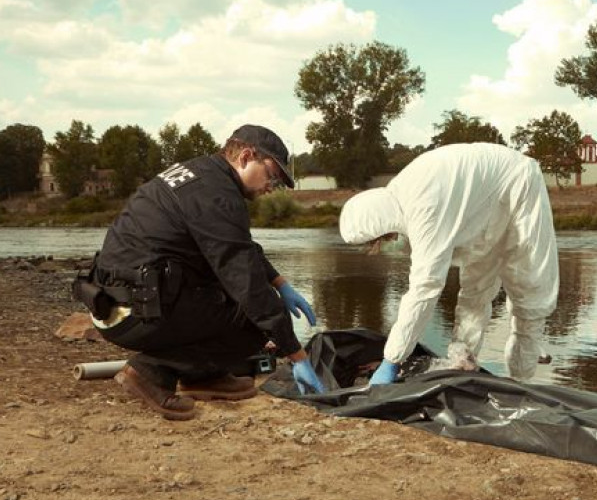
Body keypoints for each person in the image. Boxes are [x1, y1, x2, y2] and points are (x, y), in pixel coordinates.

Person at [74, 124, 326, 421]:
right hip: (136, 310)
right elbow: (246, 283)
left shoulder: (200, 175)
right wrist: (297, 355)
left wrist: (280, 283)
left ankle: (202, 377)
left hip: (114, 301)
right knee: (253, 320)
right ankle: (150, 372)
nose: (273, 186)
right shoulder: (218, 194)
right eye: (272, 175)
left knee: (243, 298)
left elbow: (238, 246)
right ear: (246, 156)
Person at [338, 142, 559, 385]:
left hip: (519, 184)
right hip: (483, 205)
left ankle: (521, 382)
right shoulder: (400, 197)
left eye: (380, 239)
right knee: (475, 290)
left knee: (529, 290)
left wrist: (392, 360)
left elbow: (425, 288)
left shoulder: (422, 209)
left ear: (380, 221)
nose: (386, 242)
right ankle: (462, 362)